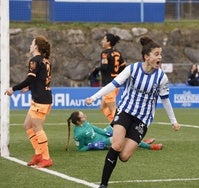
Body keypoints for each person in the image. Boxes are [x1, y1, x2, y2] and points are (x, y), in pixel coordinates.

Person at [85, 36, 181, 188]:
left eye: (160, 54)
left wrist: (173, 121)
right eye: (157, 54)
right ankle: (103, 184)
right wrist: (94, 97)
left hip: (142, 119)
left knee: (123, 156)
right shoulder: (132, 69)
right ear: (146, 57)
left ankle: (120, 141)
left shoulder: (162, 77)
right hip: (125, 111)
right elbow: (112, 84)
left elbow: (165, 100)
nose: (160, 57)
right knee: (116, 145)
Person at [4, 35, 53, 168]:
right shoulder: (45, 60)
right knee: (27, 125)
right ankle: (38, 153)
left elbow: (30, 79)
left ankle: (46, 158)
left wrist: (13, 89)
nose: (30, 46)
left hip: (41, 100)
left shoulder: (35, 60)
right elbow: (41, 80)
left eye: (32, 43)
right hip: (42, 97)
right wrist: (29, 87)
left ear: (36, 46)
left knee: (37, 127)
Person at [65, 111, 163, 151]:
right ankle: (150, 147)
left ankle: (142, 141)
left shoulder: (85, 123)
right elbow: (80, 149)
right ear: (78, 121)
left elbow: (96, 129)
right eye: (82, 116)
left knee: (118, 125)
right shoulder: (78, 134)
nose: (85, 116)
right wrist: (92, 146)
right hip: (102, 143)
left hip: (104, 135)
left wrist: (106, 132)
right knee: (124, 138)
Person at [98, 33, 126, 123]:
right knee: (103, 107)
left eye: (104, 39)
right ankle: (114, 124)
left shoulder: (105, 53)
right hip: (115, 83)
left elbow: (104, 67)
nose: (102, 41)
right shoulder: (118, 53)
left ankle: (120, 127)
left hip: (108, 85)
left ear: (108, 42)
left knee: (113, 109)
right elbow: (123, 67)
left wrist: (97, 69)